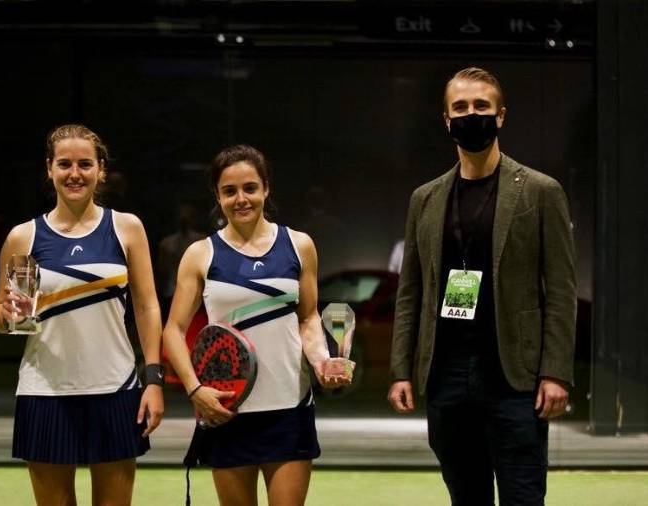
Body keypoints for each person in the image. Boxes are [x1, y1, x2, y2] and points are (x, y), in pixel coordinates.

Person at [388, 67, 576, 505]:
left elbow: (562, 292)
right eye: (460, 108)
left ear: (501, 116)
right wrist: (401, 368)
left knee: (523, 496)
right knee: (465, 496)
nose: (471, 115)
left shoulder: (540, 191)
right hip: (446, 376)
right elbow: (410, 291)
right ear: (446, 119)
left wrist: (555, 372)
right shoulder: (426, 199)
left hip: (515, 377)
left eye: (481, 107)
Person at [162, 145, 350, 506]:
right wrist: (194, 389)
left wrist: (323, 361)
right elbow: (173, 329)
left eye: (250, 188)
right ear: (217, 196)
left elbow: (309, 316)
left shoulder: (299, 245)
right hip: (227, 411)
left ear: (266, 188)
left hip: (289, 407)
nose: (241, 199)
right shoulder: (201, 254)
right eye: (229, 191)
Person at [0, 124, 164, 506]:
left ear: (101, 170)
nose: (75, 173)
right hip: (44, 393)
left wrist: (153, 378)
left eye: (85, 164)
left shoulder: (127, 228)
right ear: (49, 168)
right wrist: (7, 313)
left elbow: (148, 306)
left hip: (116, 390)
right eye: (64, 164)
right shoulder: (24, 237)